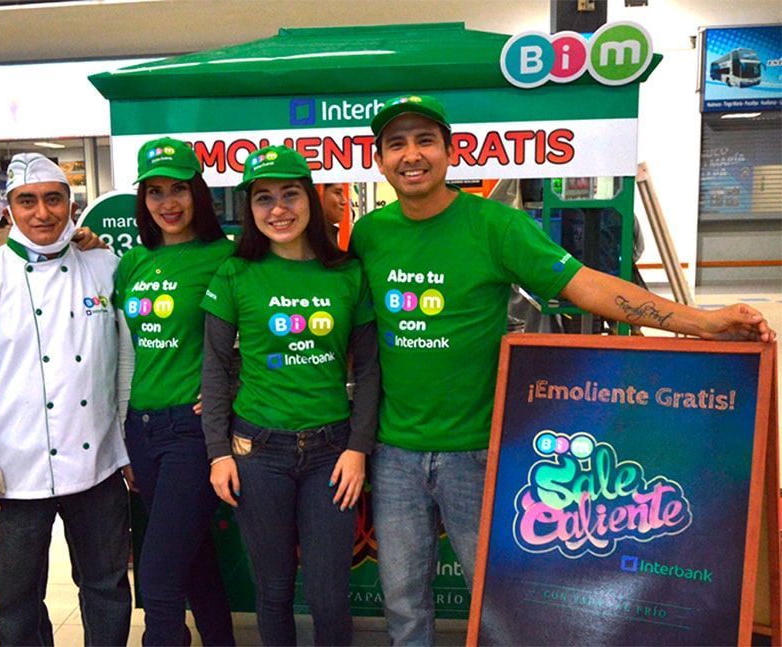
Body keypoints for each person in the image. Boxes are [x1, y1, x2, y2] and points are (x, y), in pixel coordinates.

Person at [350, 94, 778, 645]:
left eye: (425, 140)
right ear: (379, 160)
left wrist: (702, 322)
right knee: (403, 606)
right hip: (394, 454)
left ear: (451, 152)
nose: (412, 155)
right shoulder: (368, 235)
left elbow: (590, 286)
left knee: (496, 603)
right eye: (397, 144)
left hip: (478, 454)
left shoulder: (495, 226)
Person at [0, 152, 132, 646]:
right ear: (10, 210)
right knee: (17, 596)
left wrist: (128, 445)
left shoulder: (105, 266)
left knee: (107, 585)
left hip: (99, 462)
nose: (42, 213)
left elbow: (124, 362)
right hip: (15, 468)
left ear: (71, 203)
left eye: (53, 199)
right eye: (27, 201)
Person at [201, 145, 380, 646]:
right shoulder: (235, 274)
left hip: (333, 452)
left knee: (328, 596)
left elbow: (369, 370)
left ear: (312, 198)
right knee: (274, 589)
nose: (278, 209)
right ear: (250, 209)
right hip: (257, 452)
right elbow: (214, 370)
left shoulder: (347, 272)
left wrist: (357, 448)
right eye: (263, 198)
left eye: (289, 194)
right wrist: (217, 452)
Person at [115, 137, 236, 646]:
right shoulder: (132, 263)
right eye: (155, 191)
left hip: (191, 432)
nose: (168, 203)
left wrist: (234, 385)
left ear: (199, 194)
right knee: (193, 560)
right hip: (141, 430)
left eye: (179, 189)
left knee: (159, 576)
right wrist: (122, 435)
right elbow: (123, 351)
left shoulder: (227, 257)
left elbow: (265, 323)